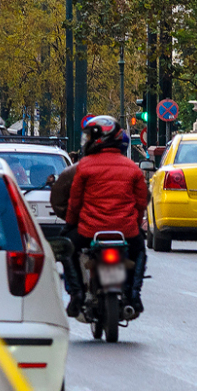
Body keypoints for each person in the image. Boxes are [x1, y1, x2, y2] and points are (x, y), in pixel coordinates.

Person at [65, 116, 150, 316]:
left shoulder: (85, 166)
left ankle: (77, 294)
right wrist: (135, 225)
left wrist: (70, 224)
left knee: (67, 249)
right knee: (139, 250)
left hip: (90, 230)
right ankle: (134, 294)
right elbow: (141, 203)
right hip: (126, 231)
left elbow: (75, 202)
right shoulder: (132, 168)